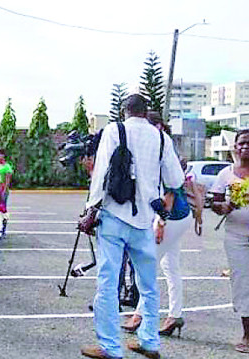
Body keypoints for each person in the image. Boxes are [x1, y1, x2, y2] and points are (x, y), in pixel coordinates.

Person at [79, 95, 184, 359]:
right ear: (146, 111)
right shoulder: (161, 138)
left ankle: (110, 347)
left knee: (108, 281)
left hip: (114, 215)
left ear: (124, 111)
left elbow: (101, 173)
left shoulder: (115, 130)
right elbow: (175, 178)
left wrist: (90, 209)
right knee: (148, 284)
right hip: (145, 220)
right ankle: (149, 341)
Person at [122, 112, 195, 337]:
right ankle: (175, 315)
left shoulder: (161, 150)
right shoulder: (163, 149)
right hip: (179, 216)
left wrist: (161, 222)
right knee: (170, 267)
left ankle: (140, 316)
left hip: (170, 217)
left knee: (148, 266)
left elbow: (171, 189)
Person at [211, 129, 249, 354]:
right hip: (237, 236)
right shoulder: (226, 174)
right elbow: (215, 203)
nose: (245, 148)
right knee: (243, 283)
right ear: (235, 147)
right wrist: (226, 206)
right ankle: (247, 335)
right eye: (241, 144)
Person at [0, 149, 13, 235]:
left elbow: (8, 180)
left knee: (3, 209)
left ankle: (3, 228)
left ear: (2, 156)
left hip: (3, 190)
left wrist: (4, 191)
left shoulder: (7, 167)